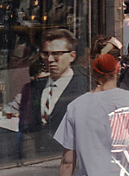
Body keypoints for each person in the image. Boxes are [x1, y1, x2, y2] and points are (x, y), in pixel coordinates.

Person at [18, 28, 88, 164]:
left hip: (71, 164)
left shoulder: (84, 89)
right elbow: (26, 129)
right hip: (36, 165)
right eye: (45, 54)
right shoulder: (32, 88)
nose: (50, 59)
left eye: (56, 54)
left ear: (72, 56)